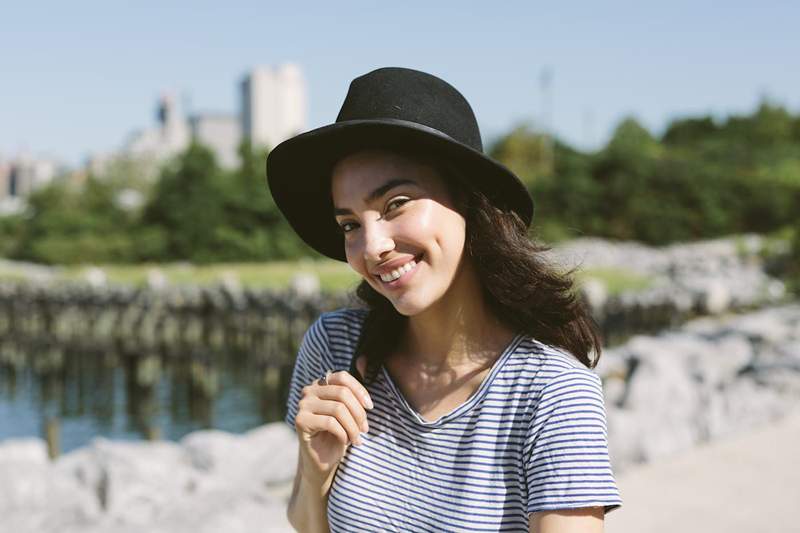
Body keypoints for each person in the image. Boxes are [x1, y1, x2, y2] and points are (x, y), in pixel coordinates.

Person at [267, 67, 622, 532]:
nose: (371, 246)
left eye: (396, 204)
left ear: (470, 204)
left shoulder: (551, 392)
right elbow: (307, 525)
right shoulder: (335, 348)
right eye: (350, 224)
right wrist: (316, 469)